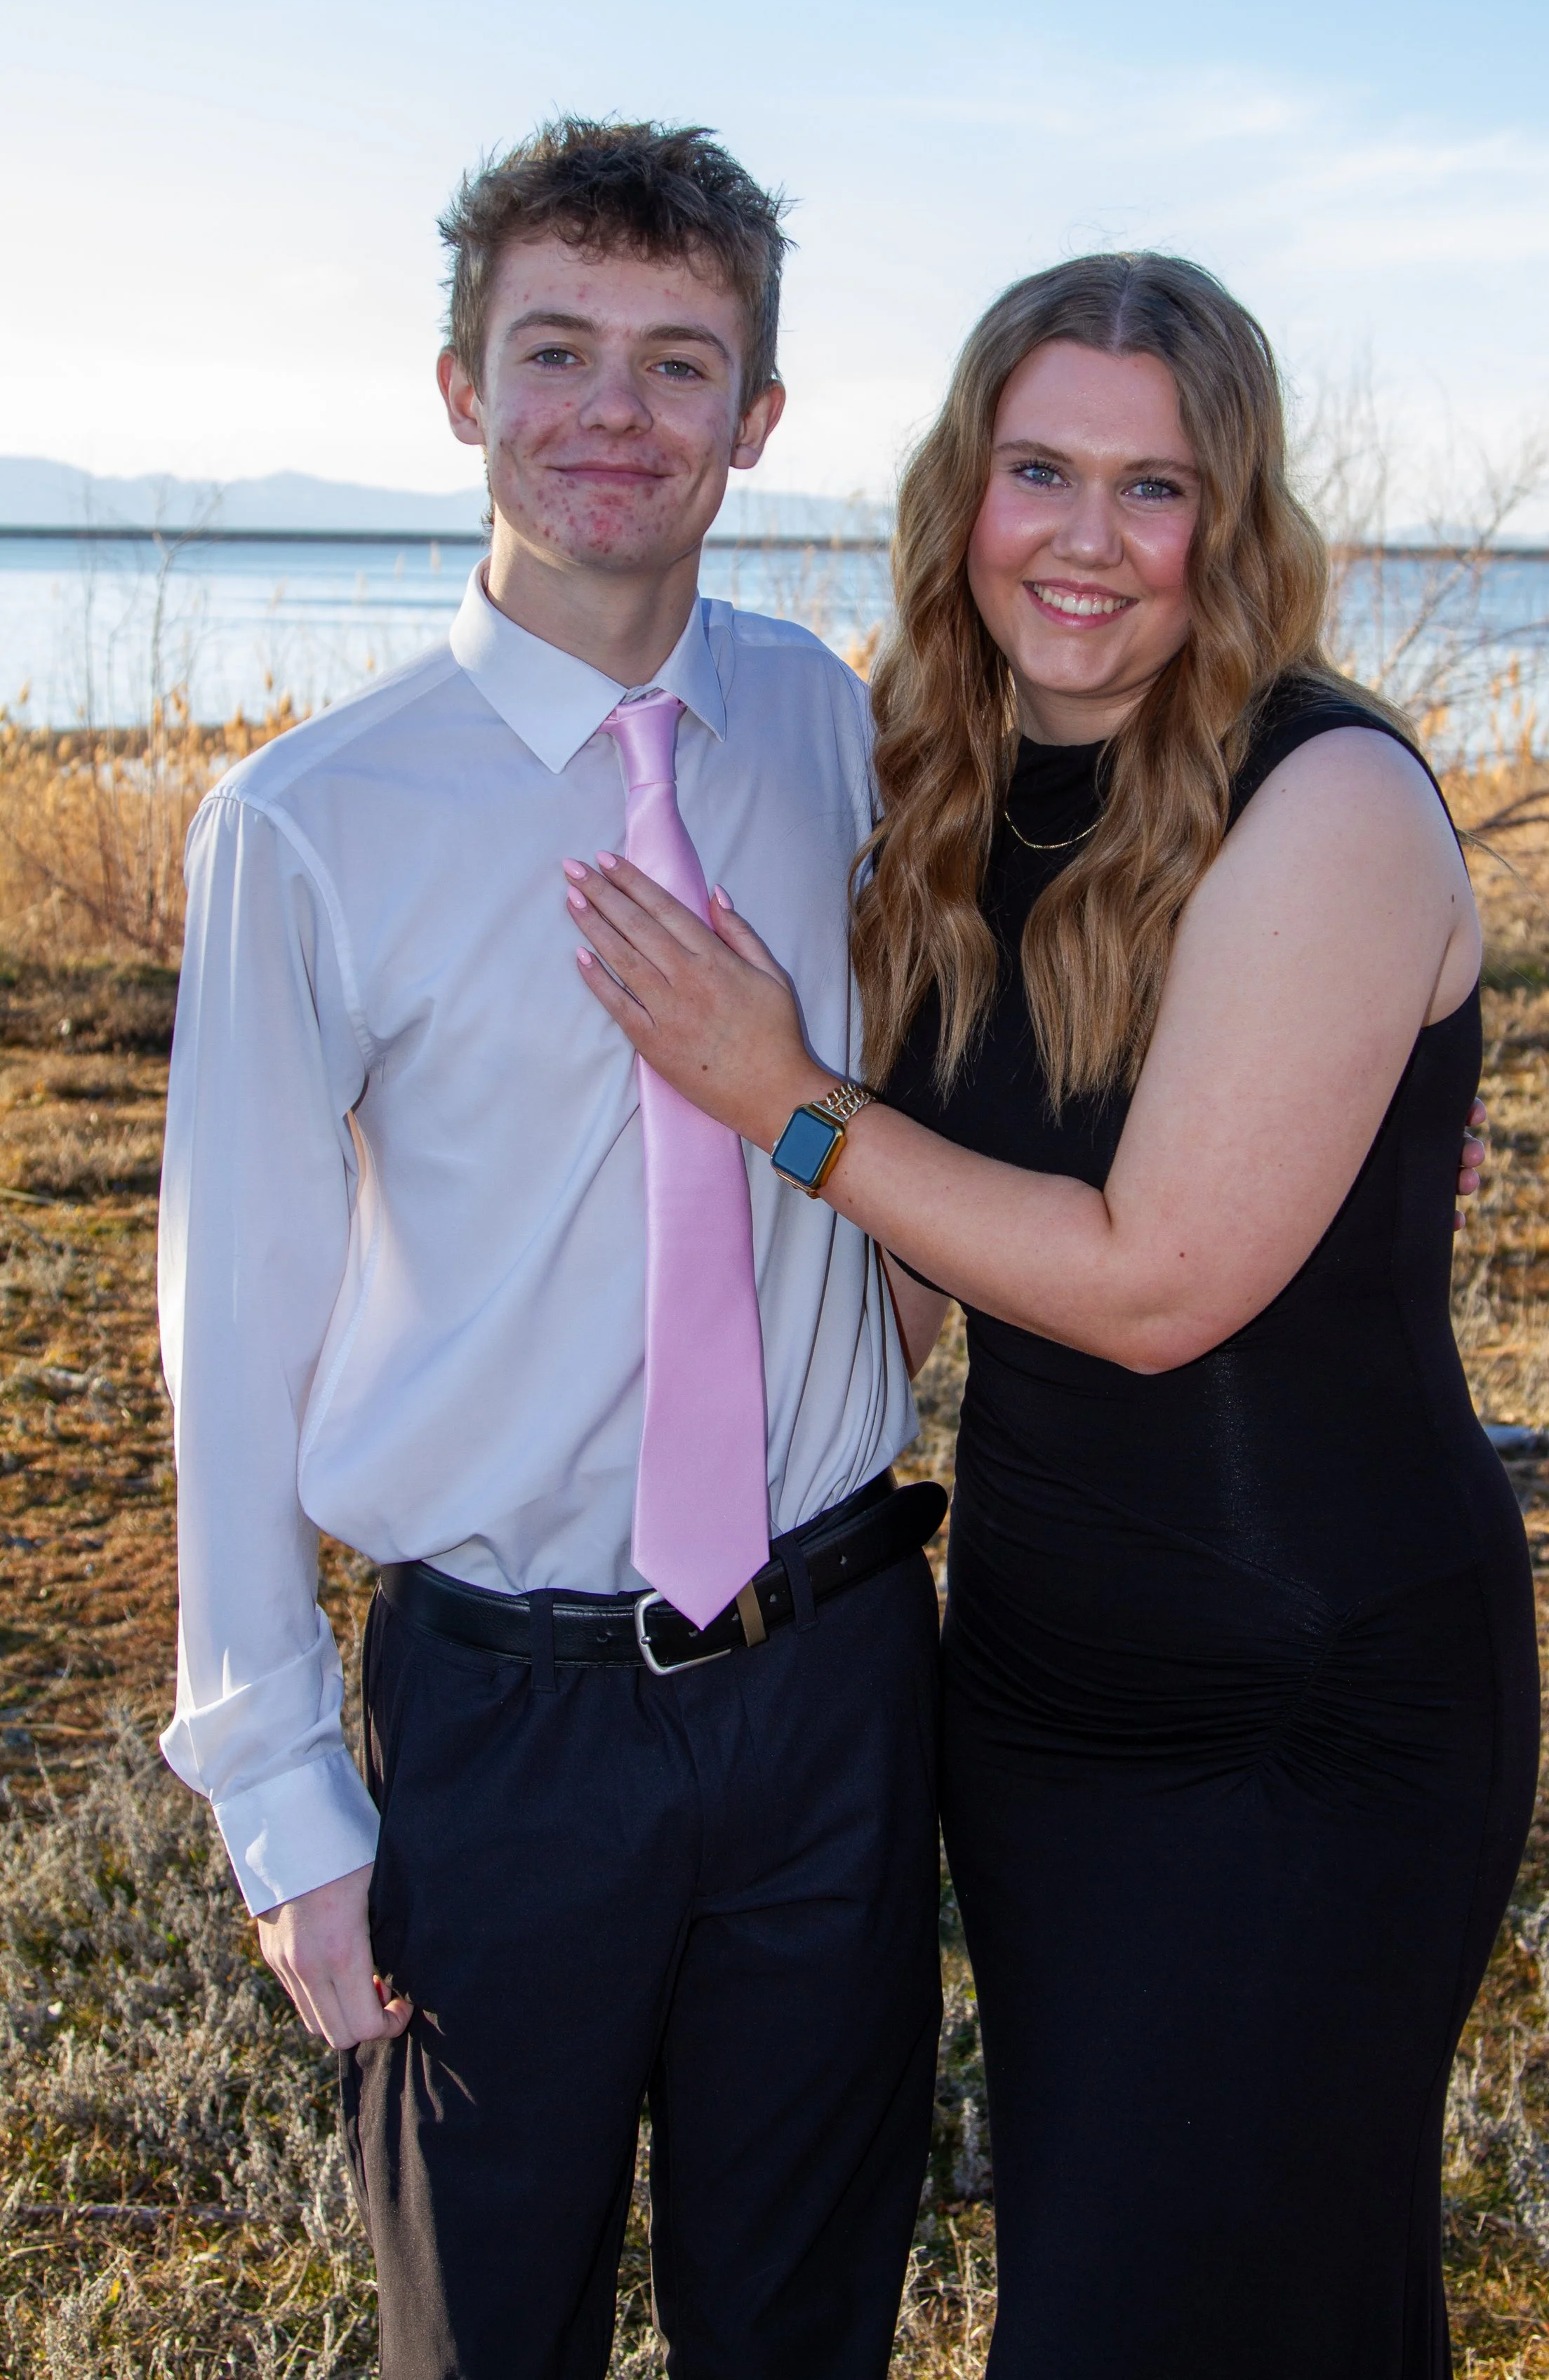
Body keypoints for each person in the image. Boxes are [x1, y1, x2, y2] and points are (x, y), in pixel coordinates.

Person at [565, 252, 1539, 2379]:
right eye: (1038, 470)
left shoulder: (1330, 799)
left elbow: (1152, 1283)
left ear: (1234, 521)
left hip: (1315, 1693)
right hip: (1041, 1694)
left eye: (1151, 487)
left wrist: (784, 1102)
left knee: (1141, 2314)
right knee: (1279, 2293)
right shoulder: (940, 788)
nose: (1084, 541)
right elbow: (923, 1270)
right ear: (962, 490)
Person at [158, 119, 949, 2380]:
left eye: (681, 361)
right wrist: (287, 1797)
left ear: (758, 419)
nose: (618, 408)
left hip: (833, 1669)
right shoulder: (306, 824)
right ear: (459, 387)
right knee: (485, 2334)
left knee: (801, 2324)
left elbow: (1019, 970)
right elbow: (233, 1330)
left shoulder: (818, 713)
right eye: (559, 348)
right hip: (507, 1723)